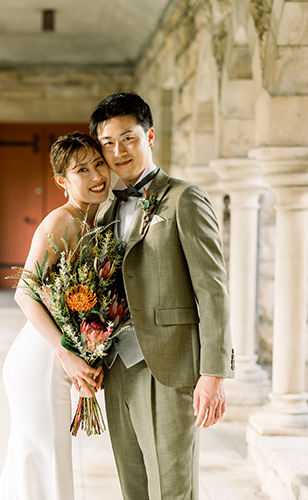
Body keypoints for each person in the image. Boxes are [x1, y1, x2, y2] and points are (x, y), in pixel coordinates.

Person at [89, 92, 235, 500]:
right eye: (108, 143)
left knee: (172, 490)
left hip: (169, 368)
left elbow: (213, 290)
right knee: (133, 488)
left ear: (149, 136)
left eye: (128, 138)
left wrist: (213, 374)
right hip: (117, 368)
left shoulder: (185, 198)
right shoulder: (105, 211)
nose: (119, 151)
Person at [0, 132, 110, 500]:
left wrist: (90, 352)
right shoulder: (61, 221)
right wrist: (67, 355)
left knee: (41, 458)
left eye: (99, 164)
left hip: (62, 354)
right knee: (44, 458)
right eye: (82, 170)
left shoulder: (94, 222)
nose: (96, 176)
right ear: (62, 181)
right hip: (42, 356)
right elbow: (24, 292)